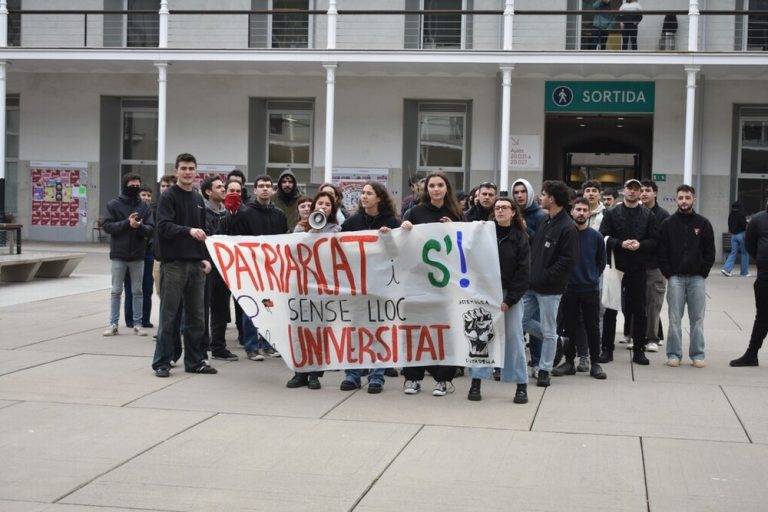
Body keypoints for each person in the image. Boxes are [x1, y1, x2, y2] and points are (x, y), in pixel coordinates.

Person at [400, 171, 465, 396]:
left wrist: (454, 229)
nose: (436, 189)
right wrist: (405, 229)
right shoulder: (415, 212)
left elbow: (464, 248)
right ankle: (413, 378)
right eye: (432, 186)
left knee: (445, 330)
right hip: (418, 281)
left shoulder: (456, 214)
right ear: (426, 189)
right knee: (416, 330)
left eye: (440, 185)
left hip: (445, 284)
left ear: (447, 188)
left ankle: (443, 379)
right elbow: (403, 247)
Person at [152, 153, 216, 378]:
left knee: (197, 317)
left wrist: (204, 258)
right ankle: (162, 362)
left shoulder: (198, 199)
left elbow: (202, 233)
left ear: (196, 171)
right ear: (177, 171)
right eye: (184, 168)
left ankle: (195, 361)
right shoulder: (168, 196)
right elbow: (164, 227)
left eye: (191, 168)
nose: (188, 172)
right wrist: (188, 231)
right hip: (174, 265)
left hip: (195, 265)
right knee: (169, 316)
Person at [339, 182, 401, 394]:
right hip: (356, 285)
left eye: (369, 193)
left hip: (381, 286)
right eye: (363, 193)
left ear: (380, 198)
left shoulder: (392, 222)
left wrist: (388, 239)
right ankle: (353, 374)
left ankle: (377, 375)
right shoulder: (351, 223)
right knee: (355, 329)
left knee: (378, 330)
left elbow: (397, 254)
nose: (364, 197)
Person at [467, 197, 530, 403]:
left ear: (513, 212)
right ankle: (476, 380)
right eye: (497, 208)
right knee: (481, 336)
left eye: (505, 207)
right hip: (486, 293)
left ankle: (521, 384)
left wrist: (510, 299)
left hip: (509, 294)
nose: (500, 211)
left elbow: (523, 272)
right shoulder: (484, 233)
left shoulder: (520, 237)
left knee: (514, 338)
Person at [224, 175, 288, 362]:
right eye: (261, 186)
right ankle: (252, 347)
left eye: (268, 186)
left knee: (270, 307)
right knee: (251, 307)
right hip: (251, 268)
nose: (265, 189)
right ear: (255, 190)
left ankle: (268, 345)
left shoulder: (279, 214)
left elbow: (283, 239)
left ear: (273, 190)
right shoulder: (245, 212)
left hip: (272, 269)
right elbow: (234, 236)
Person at [522, 180, 578, 387]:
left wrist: (544, 277)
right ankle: (556, 340)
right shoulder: (546, 221)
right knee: (522, 322)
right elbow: (537, 251)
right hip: (531, 286)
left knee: (547, 330)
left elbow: (567, 261)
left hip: (550, 289)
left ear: (552, 199)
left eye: (543, 194)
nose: (540, 197)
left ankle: (545, 369)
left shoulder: (567, 227)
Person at [286, 190, 342, 391]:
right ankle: (299, 371)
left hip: (322, 287)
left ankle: (315, 374)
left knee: (319, 330)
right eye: (320, 204)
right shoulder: (301, 227)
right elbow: (292, 252)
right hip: (301, 286)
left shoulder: (336, 229)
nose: (323, 208)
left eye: (327, 205)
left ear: (332, 209)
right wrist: (306, 232)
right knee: (299, 329)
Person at [599, 179, 658, 365]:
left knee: (639, 310)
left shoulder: (648, 215)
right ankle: (607, 349)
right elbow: (603, 236)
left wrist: (640, 245)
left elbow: (655, 240)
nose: (632, 192)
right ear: (623, 191)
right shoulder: (611, 212)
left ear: (640, 192)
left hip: (638, 267)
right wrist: (620, 243)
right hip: (616, 266)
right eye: (629, 188)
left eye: (636, 189)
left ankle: (639, 350)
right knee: (610, 309)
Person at [657, 185, 715, 368]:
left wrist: (703, 271)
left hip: (697, 278)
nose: (684, 201)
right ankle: (674, 354)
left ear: (693, 200)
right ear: (676, 199)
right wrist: (668, 273)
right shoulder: (668, 223)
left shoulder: (703, 223)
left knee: (697, 318)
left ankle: (698, 354)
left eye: (687, 198)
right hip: (675, 278)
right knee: (674, 318)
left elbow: (710, 251)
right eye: (681, 197)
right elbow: (662, 251)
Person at [552, 198, 607, 380]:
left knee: (592, 327)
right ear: (572, 212)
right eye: (578, 209)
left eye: (585, 210)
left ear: (589, 213)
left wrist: (591, 276)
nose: (581, 212)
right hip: (569, 289)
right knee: (569, 326)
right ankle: (569, 362)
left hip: (589, 289)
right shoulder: (565, 234)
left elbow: (601, 262)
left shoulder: (596, 237)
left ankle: (595, 363)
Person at [102, 173, 154, 337]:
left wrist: (138, 226)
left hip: (138, 254)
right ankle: (113, 323)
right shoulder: (113, 205)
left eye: (137, 185)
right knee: (116, 290)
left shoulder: (144, 206)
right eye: (132, 185)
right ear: (125, 185)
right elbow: (108, 226)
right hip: (119, 254)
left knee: (138, 291)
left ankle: (138, 323)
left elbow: (151, 228)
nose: (135, 188)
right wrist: (127, 223)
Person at [512, 178, 549, 374]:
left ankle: (537, 361)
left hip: (534, 276)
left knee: (531, 318)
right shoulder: (511, 213)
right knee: (517, 322)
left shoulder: (541, 216)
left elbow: (542, 245)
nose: (519, 195)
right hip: (515, 275)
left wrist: (526, 228)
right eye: (516, 192)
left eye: (522, 191)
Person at [201, 176, 239, 362]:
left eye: (224, 186)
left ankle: (218, 346)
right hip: (207, 266)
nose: (224, 190)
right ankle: (201, 346)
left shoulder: (227, 212)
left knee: (221, 308)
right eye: (219, 187)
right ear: (208, 191)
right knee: (202, 308)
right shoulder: (202, 213)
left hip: (224, 267)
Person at [730, 199, 768, 367]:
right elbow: (750, 245)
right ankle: (752, 354)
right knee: (762, 317)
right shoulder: (759, 219)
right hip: (764, 278)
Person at [640, 180, 670, 353]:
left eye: (648, 190)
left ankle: (652, 338)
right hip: (636, 265)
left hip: (655, 266)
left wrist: (666, 268)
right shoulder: (635, 212)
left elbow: (667, 243)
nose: (644, 193)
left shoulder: (663, 215)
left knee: (653, 303)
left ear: (655, 193)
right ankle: (635, 335)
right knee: (636, 303)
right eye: (642, 190)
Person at [124, 185, 155, 329]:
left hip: (148, 253)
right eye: (144, 195)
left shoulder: (152, 212)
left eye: (149, 195)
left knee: (147, 287)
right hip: (133, 254)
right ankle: (130, 319)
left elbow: (152, 231)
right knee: (132, 287)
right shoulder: (133, 211)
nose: (147, 198)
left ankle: (145, 319)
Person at [722, 201, 751, 277]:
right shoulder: (741, 214)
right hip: (741, 234)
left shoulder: (731, 215)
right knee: (745, 253)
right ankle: (744, 272)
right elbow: (744, 225)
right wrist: (747, 222)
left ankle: (726, 269)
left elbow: (729, 225)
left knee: (733, 252)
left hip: (733, 236)